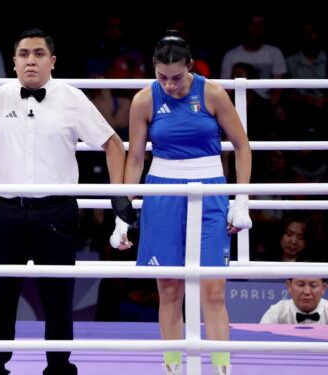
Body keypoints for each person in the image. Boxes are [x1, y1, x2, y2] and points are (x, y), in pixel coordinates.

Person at [0, 28, 132, 375]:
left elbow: (111, 142)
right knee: (0, 296)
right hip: (5, 211)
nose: (30, 60)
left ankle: (59, 366)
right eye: (24, 54)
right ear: (14, 61)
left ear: (52, 61)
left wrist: (118, 193)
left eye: (37, 53)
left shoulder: (72, 98)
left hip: (57, 212)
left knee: (59, 296)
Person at [117, 32, 253, 375]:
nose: (170, 84)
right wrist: (124, 210)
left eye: (177, 77)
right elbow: (134, 157)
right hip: (161, 192)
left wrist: (241, 200)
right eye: (162, 76)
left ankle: (222, 368)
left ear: (190, 67)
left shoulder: (213, 93)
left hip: (209, 191)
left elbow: (242, 146)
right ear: (154, 69)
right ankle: (172, 368)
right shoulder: (143, 100)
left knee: (214, 290)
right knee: (169, 289)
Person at [260, 278, 328, 324]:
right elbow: (261, 339)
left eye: (313, 285)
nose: (307, 292)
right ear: (289, 286)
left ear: (323, 288)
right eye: (301, 285)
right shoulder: (277, 312)